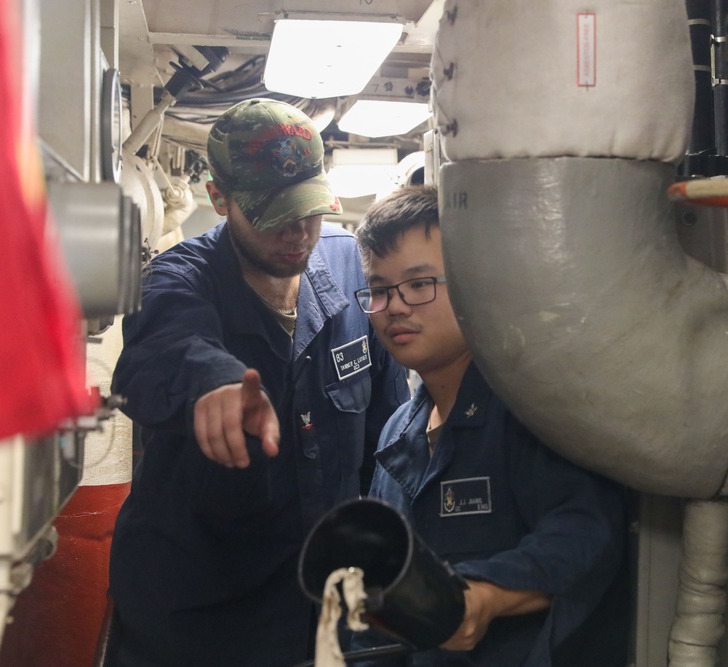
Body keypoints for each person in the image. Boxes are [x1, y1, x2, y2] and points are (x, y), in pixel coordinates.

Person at [105, 98, 409, 667]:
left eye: (310, 210)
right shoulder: (182, 277)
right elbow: (165, 342)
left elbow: (389, 438)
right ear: (218, 199)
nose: (298, 233)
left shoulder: (351, 271)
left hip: (317, 613)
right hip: (197, 621)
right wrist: (213, 383)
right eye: (273, 214)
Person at [350, 185, 629, 666]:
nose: (395, 307)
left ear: (474, 281)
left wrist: (484, 596)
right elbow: (381, 588)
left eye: (419, 284)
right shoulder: (398, 433)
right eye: (379, 289)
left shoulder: (529, 407)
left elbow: (585, 531)